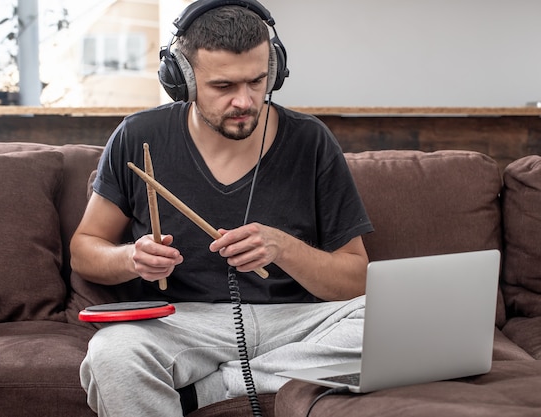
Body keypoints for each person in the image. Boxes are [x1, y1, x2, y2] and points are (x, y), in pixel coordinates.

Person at [70, 1, 373, 416]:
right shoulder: (139, 135)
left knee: (404, 324)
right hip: (183, 321)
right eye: (223, 86)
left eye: (257, 81)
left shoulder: (312, 141)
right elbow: (85, 249)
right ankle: (264, 377)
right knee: (111, 354)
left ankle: (220, 388)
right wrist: (131, 257)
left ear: (275, 69)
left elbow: (358, 278)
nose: (245, 101)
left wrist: (284, 248)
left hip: (299, 322)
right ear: (184, 80)